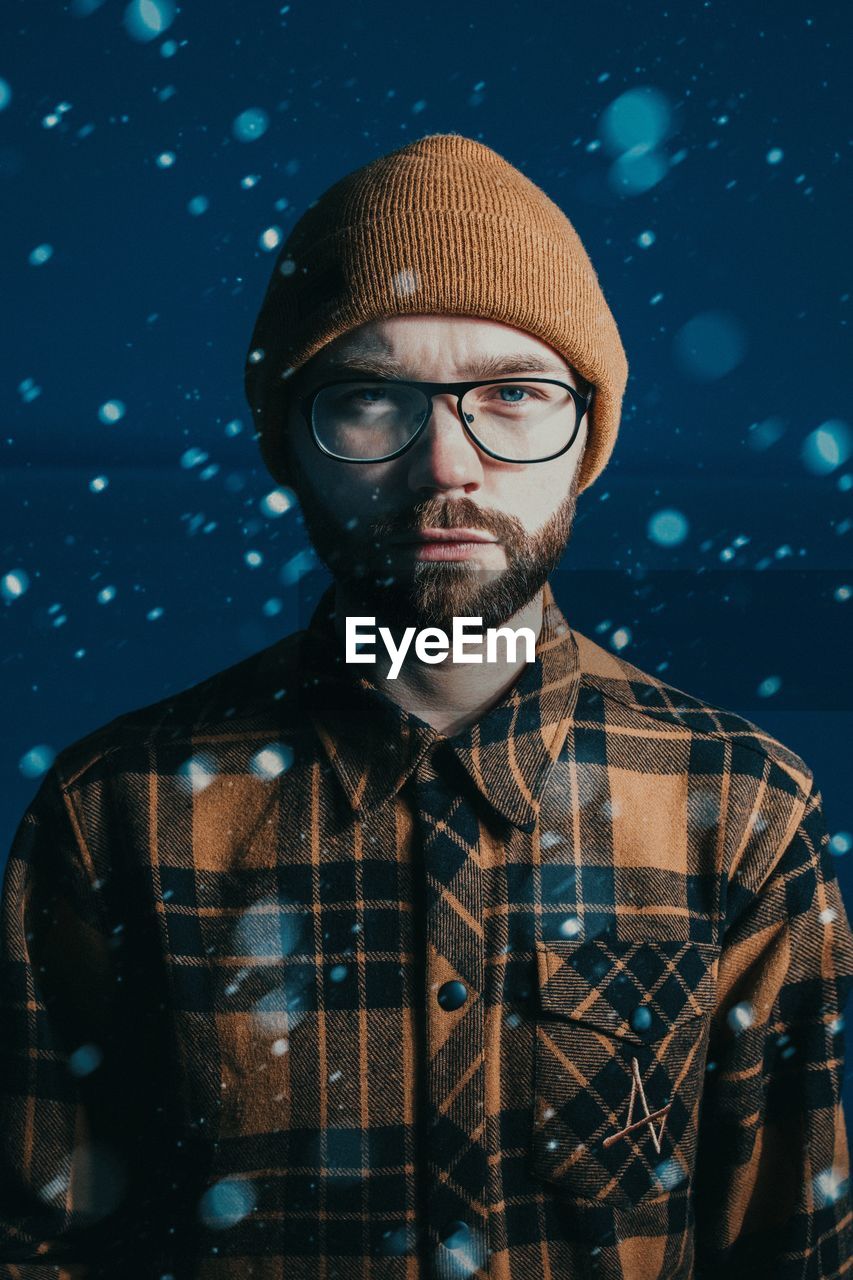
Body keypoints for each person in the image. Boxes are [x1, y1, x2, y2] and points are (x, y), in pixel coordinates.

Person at [1, 132, 851, 1279]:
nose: (447, 461)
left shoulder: (741, 808)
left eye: (512, 392)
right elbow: (41, 1242)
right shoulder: (116, 812)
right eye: (370, 397)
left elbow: (792, 1250)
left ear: (585, 434)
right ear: (289, 442)